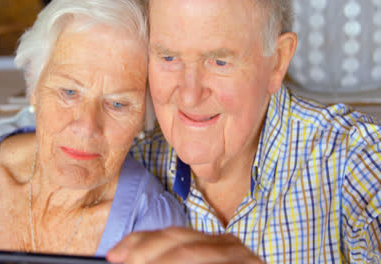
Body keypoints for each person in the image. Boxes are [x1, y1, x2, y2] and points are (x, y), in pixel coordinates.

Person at [106, 0, 381, 263]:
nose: (190, 96)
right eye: (168, 57)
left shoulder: (354, 160)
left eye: (219, 62)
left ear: (277, 62)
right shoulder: (126, 166)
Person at [0, 0, 187, 262]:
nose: (86, 127)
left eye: (117, 104)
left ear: (145, 116)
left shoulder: (151, 222)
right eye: (68, 92)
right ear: (33, 87)